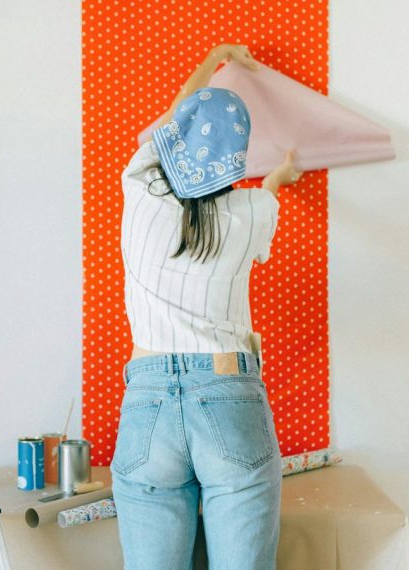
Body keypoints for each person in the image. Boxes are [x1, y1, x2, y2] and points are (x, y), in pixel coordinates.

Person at [112, 43, 302, 570]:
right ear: (236, 157)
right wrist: (279, 178)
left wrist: (216, 56)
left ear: (174, 139)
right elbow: (266, 194)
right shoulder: (251, 211)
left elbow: (178, 113)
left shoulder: (139, 184)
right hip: (227, 394)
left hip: (148, 399)